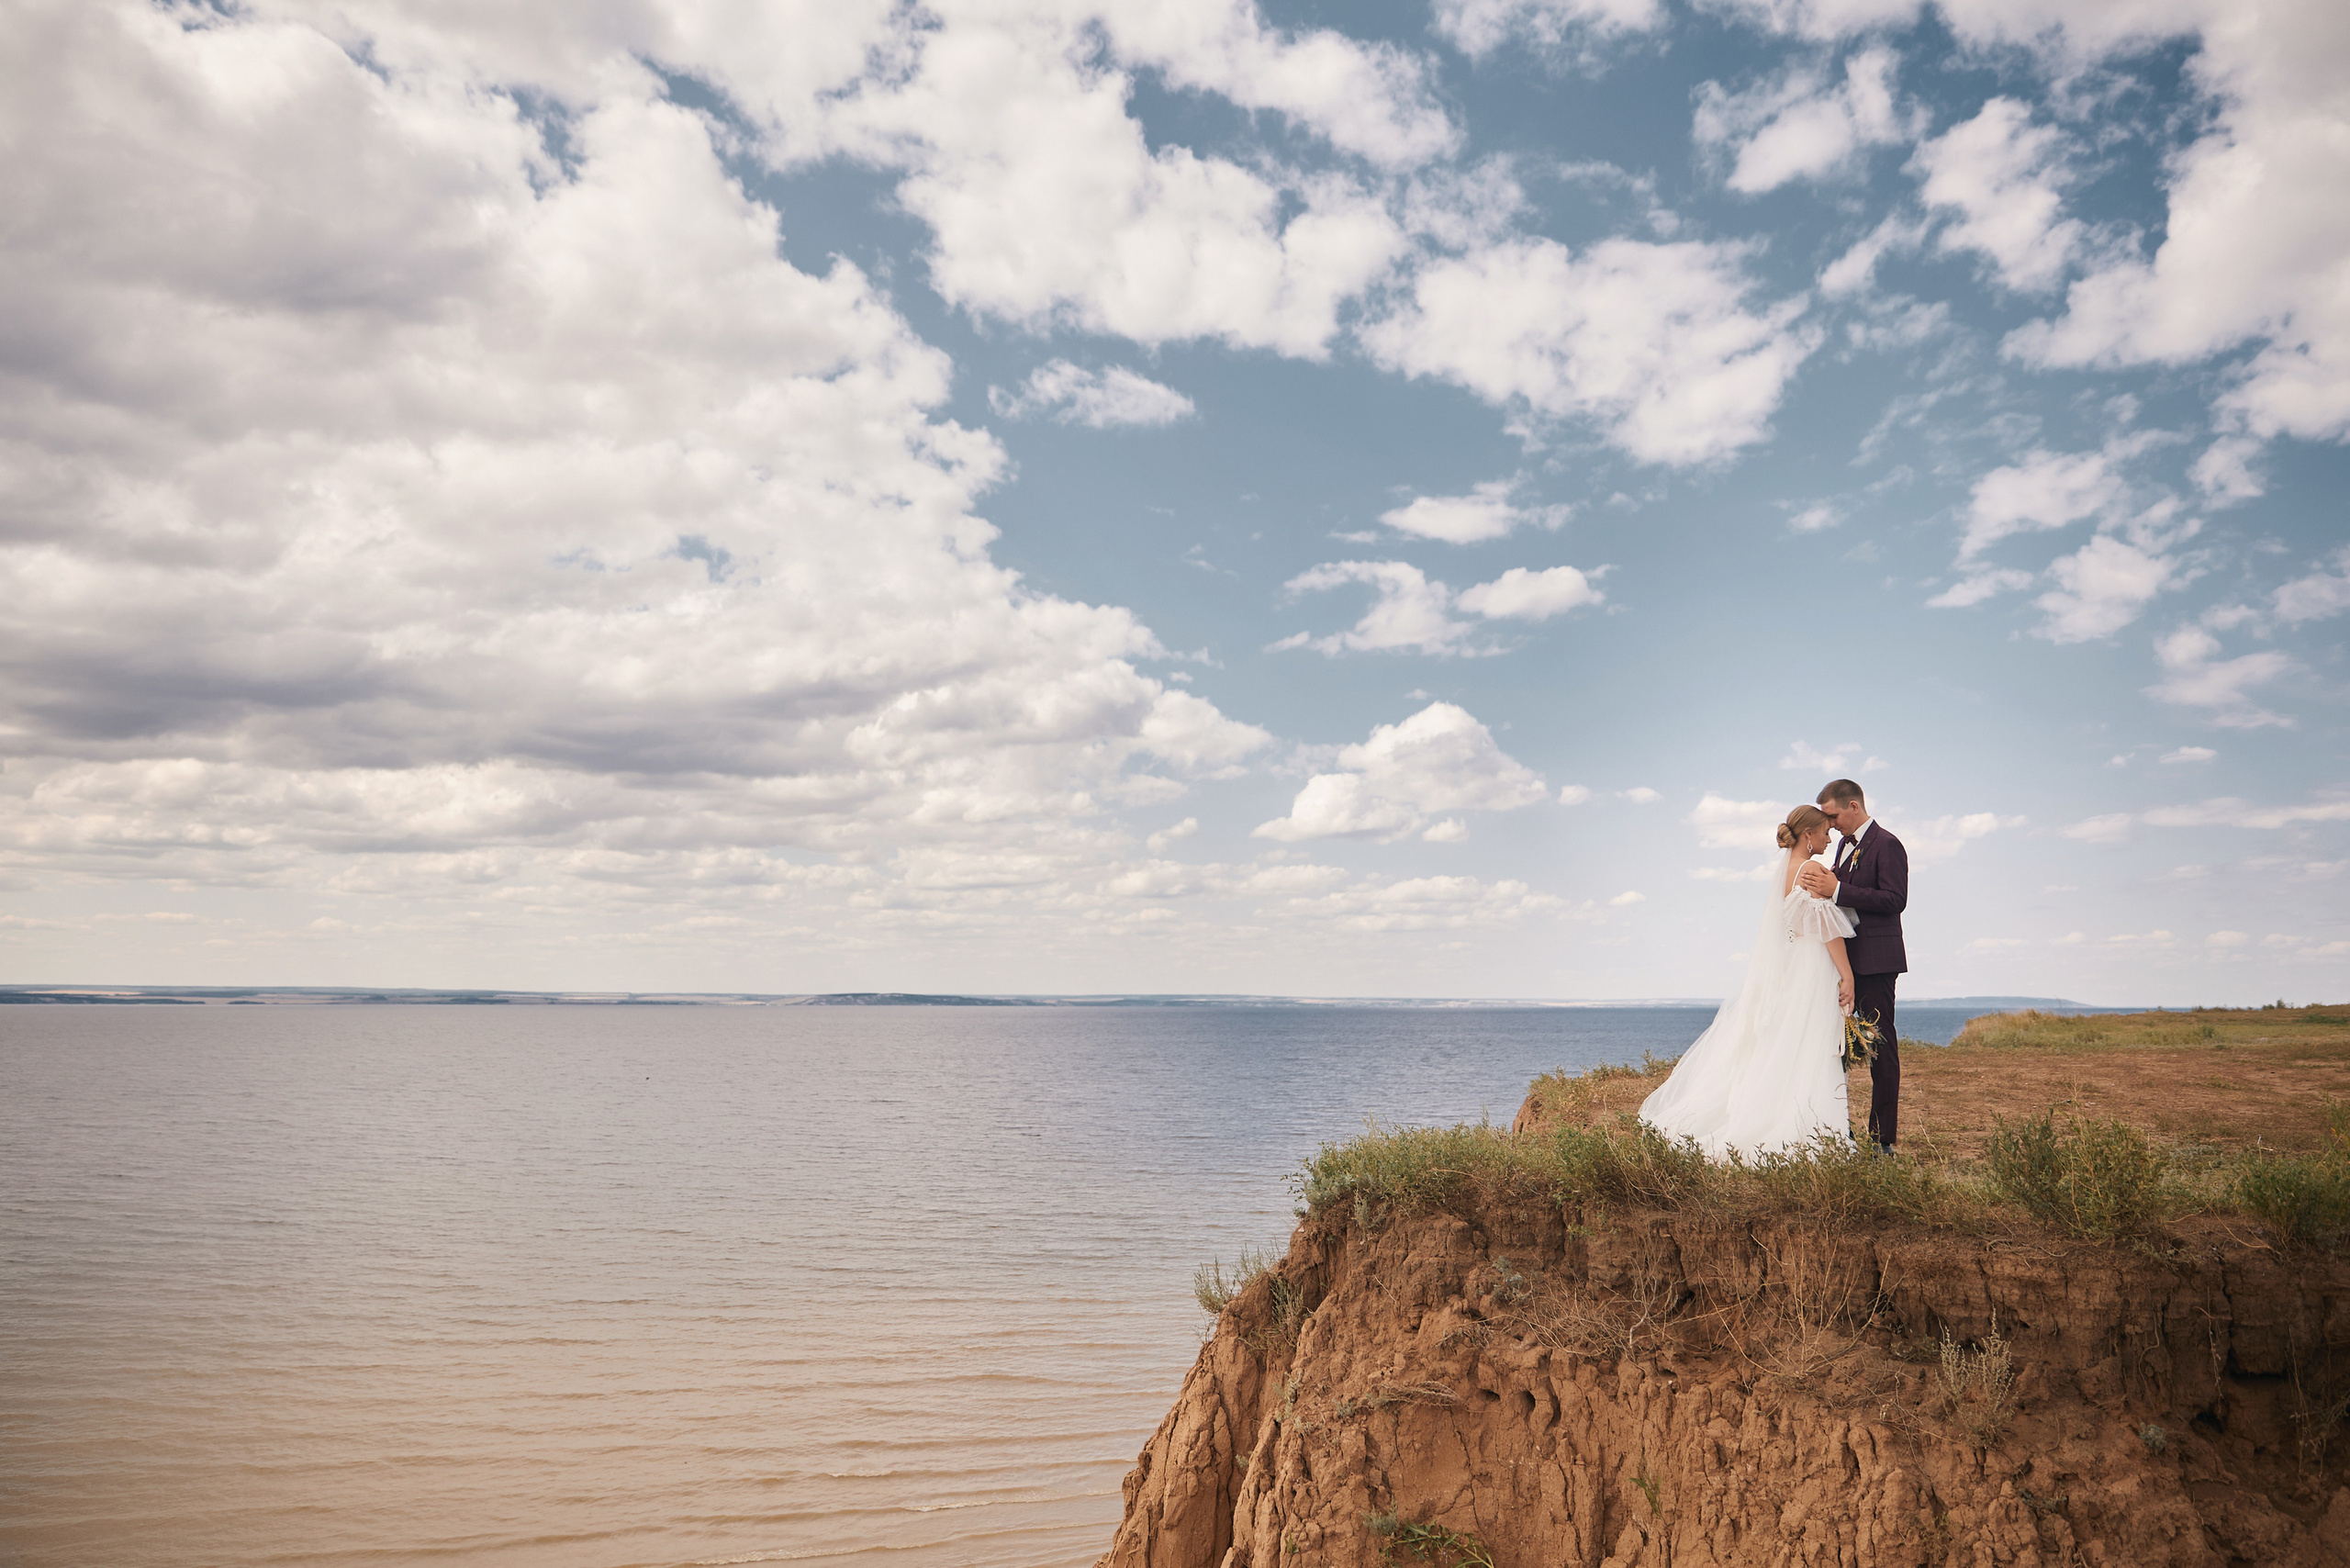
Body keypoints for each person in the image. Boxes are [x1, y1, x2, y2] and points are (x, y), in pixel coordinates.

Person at [1639, 804, 1857, 1160]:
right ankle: (1810, 1125)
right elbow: (1827, 928)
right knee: (1811, 1042)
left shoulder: (1787, 870)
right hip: (1813, 965)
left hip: (1795, 962)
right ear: (1808, 836)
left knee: (1791, 1041)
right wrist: (1846, 974)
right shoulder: (1812, 869)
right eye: (1824, 832)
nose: (1829, 837)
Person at [1796, 779, 1908, 1153]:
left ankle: (1882, 1140)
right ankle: (1836, 1130)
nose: (1829, 824)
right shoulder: (1844, 845)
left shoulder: (1888, 844)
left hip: (1876, 961)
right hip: (1841, 960)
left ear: (1854, 807)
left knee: (1880, 1045)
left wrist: (1837, 890)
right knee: (1834, 1045)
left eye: (1832, 815)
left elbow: (1895, 899)